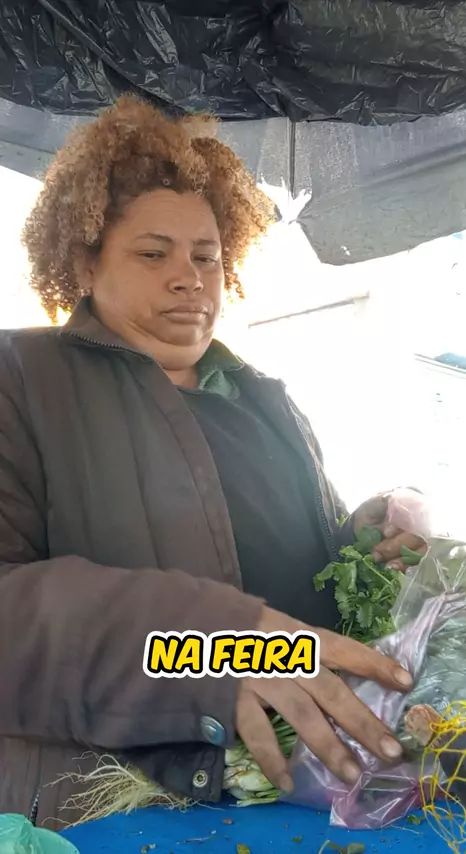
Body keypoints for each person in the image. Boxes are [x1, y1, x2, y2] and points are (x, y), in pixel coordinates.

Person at [0, 96, 425, 830]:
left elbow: (279, 561)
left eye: (206, 256)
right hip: (124, 808)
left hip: (302, 791)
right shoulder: (20, 378)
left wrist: (356, 545)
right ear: (84, 260)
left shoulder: (267, 398)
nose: (189, 277)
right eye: (153, 253)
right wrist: (210, 651)